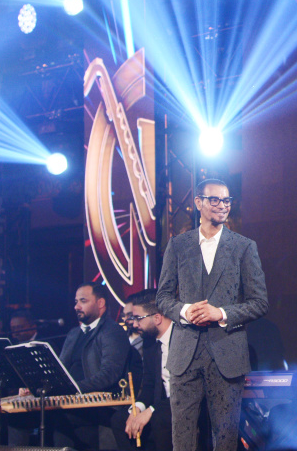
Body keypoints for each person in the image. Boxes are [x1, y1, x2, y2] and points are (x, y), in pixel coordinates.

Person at [157, 178, 269, 451]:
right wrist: (185, 310)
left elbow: (259, 302)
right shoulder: (178, 245)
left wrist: (220, 313)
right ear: (198, 203)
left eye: (227, 200)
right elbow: (162, 297)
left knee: (225, 438)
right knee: (182, 439)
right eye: (215, 200)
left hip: (227, 354)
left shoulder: (244, 246)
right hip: (184, 355)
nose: (222, 205)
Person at [54, 283, 139, 451]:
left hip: (97, 406)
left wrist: (73, 388)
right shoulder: (73, 334)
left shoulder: (112, 331)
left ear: (100, 303)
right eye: (76, 302)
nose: (76, 306)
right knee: (20, 418)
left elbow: (109, 374)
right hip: (70, 402)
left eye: (83, 301)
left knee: (58, 418)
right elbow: (60, 371)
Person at [112, 289, 173, 451]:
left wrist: (151, 410)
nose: (135, 324)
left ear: (157, 318)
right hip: (160, 403)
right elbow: (149, 384)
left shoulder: (183, 339)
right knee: (120, 419)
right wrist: (137, 409)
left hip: (182, 402)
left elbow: (185, 389)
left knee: (159, 418)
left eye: (138, 318)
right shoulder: (149, 341)